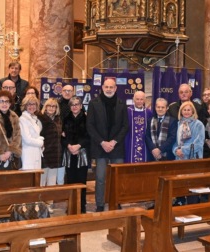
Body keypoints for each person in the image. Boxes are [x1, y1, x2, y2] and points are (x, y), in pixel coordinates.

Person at [86, 78, 128, 212]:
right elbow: (90, 126)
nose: (109, 89)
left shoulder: (122, 104)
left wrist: (114, 142)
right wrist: (102, 142)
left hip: (117, 146)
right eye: (106, 87)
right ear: (102, 88)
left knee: (117, 177)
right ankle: (99, 204)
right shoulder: (93, 103)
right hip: (100, 146)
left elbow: (125, 126)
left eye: (111, 87)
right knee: (100, 178)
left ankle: (117, 201)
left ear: (116, 88)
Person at [62, 96, 90, 213]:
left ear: (81, 105)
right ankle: (72, 205)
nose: (74, 106)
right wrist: (69, 146)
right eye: (72, 104)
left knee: (81, 181)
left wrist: (79, 146)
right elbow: (61, 136)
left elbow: (89, 136)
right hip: (69, 153)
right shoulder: (65, 119)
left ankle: (82, 206)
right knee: (70, 181)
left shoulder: (86, 118)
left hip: (81, 153)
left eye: (77, 104)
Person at [173, 101, 205, 205]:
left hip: (193, 159)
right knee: (180, 186)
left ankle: (193, 206)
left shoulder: (198, 124)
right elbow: (174, 142)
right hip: (180, 159)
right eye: (184, 110)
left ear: (193, 111)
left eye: (188, 110)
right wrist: (175, 151)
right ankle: (181, 204)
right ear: (181, 111)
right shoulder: (178, 124)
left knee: (193, 186)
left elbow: (199, 143)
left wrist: (184, 150)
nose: (186, 112)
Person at [38, 98, 62, 213]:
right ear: (45, 107)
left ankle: (49, 204)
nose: (51, 108)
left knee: (52, 182)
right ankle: (41, 204)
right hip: (44, 154)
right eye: (49, 106)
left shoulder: (58, 119)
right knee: (42, 182)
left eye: (54, 106)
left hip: (55, 154)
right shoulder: (40, 119)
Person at [0, 90, 22, 171]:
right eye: (1, 101)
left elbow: (17, 135)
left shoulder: (14, 116)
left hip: (11, 156)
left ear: (10, 103)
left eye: (7, 101)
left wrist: (10, 151)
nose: (4, 104)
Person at [125, 91, 153, 163]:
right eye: (137, 99)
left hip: (145, 144)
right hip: (130, 143)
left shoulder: (149, 112)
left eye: (141, 99)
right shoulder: (127, 111)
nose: (139, 101)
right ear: (133, 99)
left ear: (145, 100)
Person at [56, 84, 75, 185]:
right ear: (61, 92)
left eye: (70, 91)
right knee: (61, 165)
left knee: (72, 167)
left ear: (73, 92)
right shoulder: (57, 104)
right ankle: (60, 188)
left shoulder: (77, 104)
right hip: (61, 139)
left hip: (74, 140)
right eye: (65, 90)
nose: (67, 92)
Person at [19, 95, 43, 170]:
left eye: (34, 104)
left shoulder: (35, 118)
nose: (31, 106)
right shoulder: (23, 119)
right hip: (28, 152)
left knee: (36, 178)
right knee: (29, 177)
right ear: (25, 106)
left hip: (36, 151)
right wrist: (41, 142)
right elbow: (27, 139)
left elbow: (36, 136)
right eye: (29, 104)